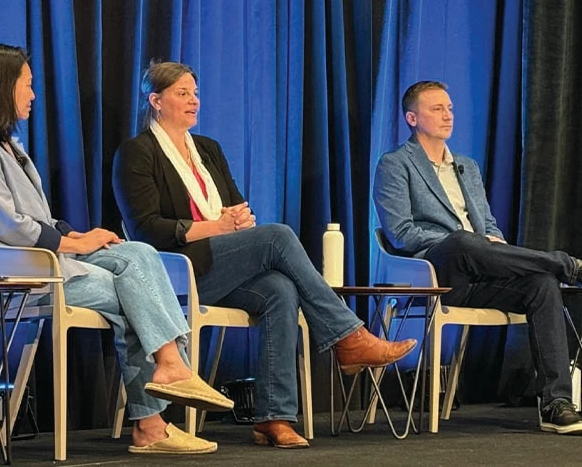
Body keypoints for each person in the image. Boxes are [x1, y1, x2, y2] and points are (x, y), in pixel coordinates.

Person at [0, 44, 235, 455]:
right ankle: (156, 411)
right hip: (17, 272)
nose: (33, 94)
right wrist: (69, 243)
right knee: (136, 295)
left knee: (139, 254)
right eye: (27, 85)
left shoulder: (8, 143)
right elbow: (7, 223)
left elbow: (36, 216)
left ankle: (168, 373)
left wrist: (79, 237)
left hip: (51, 259)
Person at [112, 61, 417, 449]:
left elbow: (236, 206)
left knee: (279, 288)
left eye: (195, 93)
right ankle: (348, 337)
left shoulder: (207, 149)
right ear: (156, 101)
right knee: (277, 237)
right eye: (182, 93)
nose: (193, 101)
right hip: (170, 272)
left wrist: (239, 218)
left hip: (216, 262)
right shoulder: (136, 153)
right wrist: (216, 227)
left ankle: (273, 417)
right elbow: (145, 230)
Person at [373, 80, 582, 436]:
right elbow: (401, 232)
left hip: (480, 269)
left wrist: (492, 242)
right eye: (437, 109)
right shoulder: (395, 165)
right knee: (462, 242)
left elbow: (487, 224)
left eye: (450, 108)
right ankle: (573, 267)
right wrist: (464, 241)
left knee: (540, 284)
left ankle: (555, 403)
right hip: (436, 272)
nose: (448, 116)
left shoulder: (467, 167)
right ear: (413, 118)